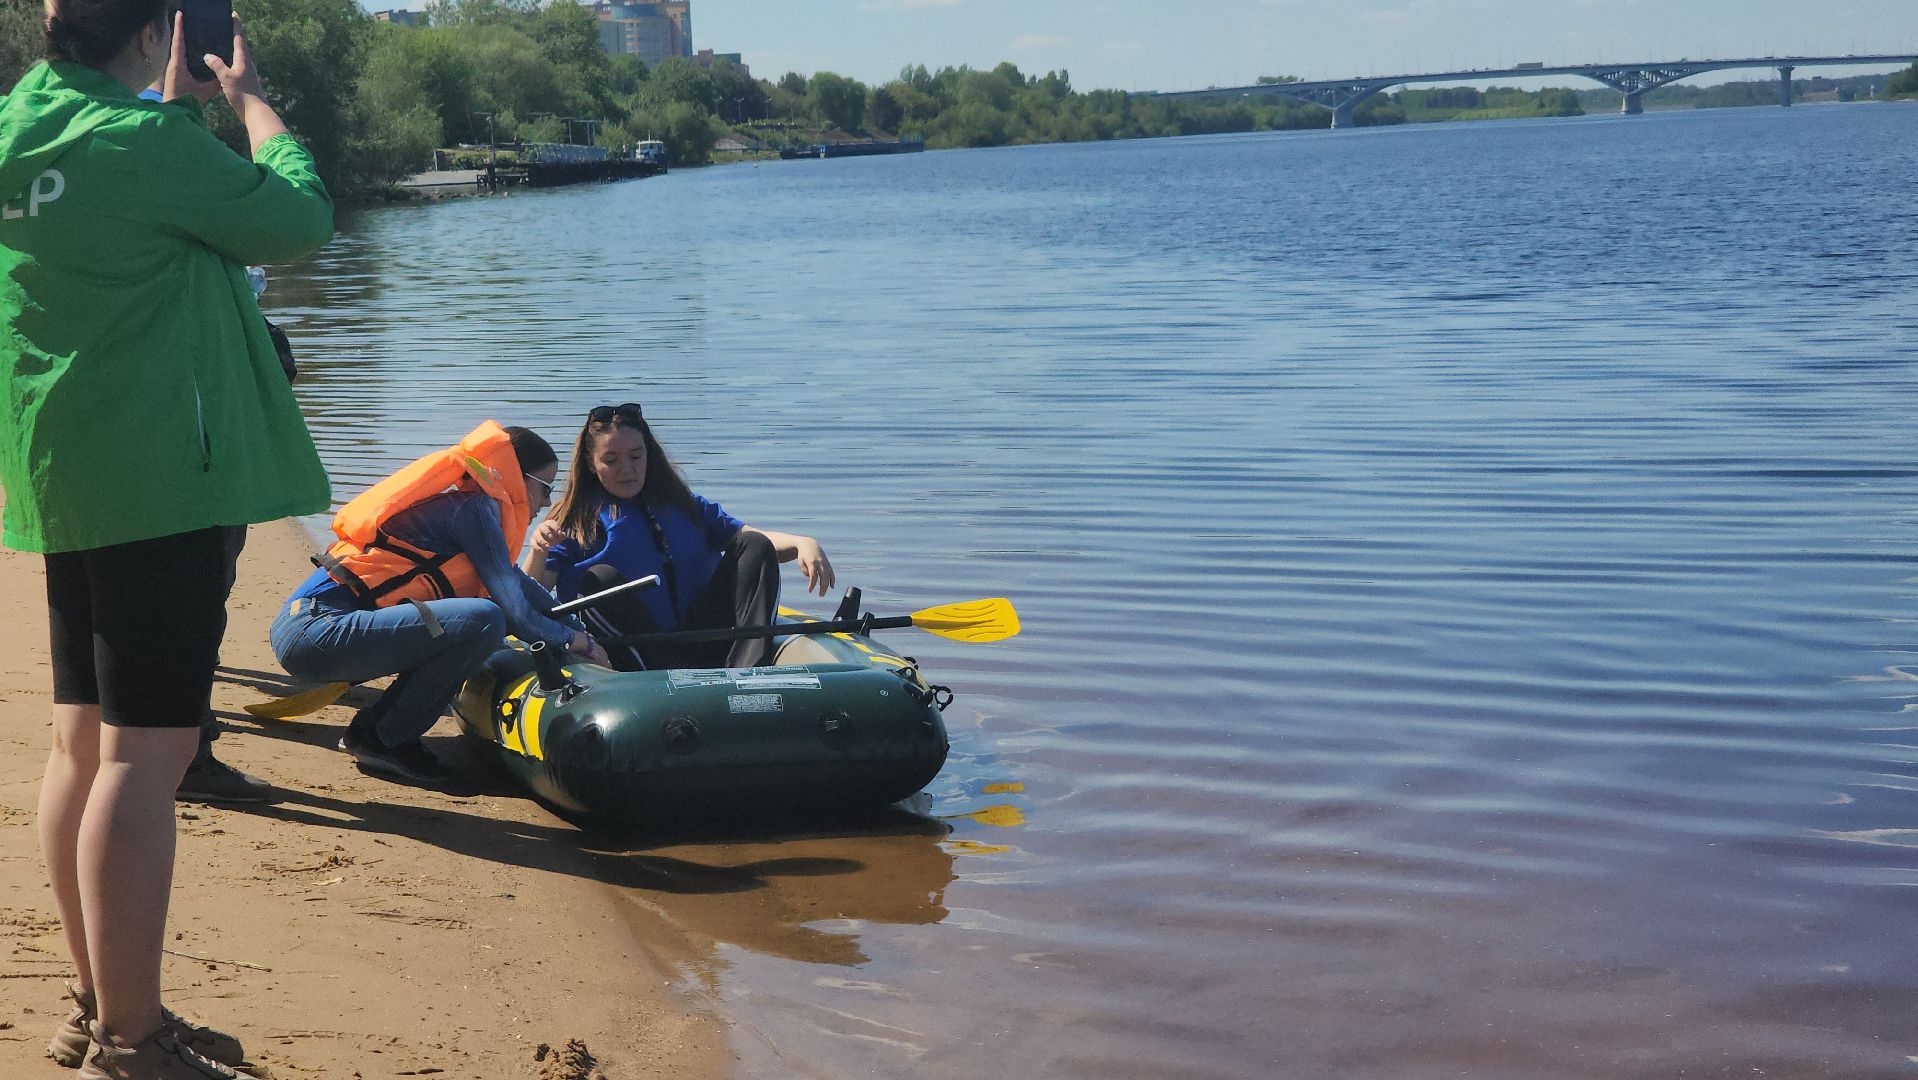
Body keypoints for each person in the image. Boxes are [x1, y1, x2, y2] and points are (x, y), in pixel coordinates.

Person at [1, 2, 334, 1076]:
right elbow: (296, 220)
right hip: (160, 477)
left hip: (66, 468)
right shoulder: (144, 142)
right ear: (158, 33)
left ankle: (96, 997)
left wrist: (169, 111)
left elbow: (127, 205)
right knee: (148, 761)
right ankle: (132, 1039)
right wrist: (250, 106)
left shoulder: (18, 128)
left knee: (81, 743)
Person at [270, 422, 607, 786]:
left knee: (476, 621)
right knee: (484, 620)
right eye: (545, 488)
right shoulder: (475, 510)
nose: (544, 504)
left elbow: (520, 585)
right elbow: (513, 610)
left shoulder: (471, 508)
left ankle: (371, 731)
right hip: (316, 631)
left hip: (313, 626)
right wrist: (581, 644)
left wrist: (577, 628)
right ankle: (387, 739)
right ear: (514, 474)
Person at [523, 403, 836, 671]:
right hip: (637, 655)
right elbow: (528, 595)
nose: (627, 469)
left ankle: (747, 673)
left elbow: (750, 539)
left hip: (704, 635)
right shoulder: (574, 519)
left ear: (649, 453)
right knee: (598, 578)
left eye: (635, 456)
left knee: (755, 545)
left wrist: (801, 543)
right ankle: (651, 684)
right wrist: (538, 550)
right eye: (612, 460)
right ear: (592, 464)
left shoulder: (680, 502)